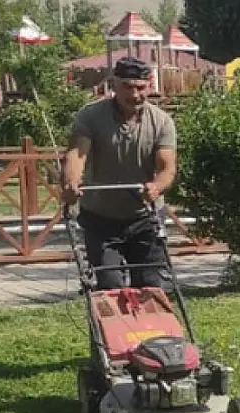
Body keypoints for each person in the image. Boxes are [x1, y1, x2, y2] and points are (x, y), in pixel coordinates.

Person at [62, 56, 177, 290]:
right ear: (114, 84)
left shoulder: (162, 122)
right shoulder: (90, 116)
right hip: (100, 218)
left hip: (145, 217)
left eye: (140, 87)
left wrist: (156, 186)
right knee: (110, 285)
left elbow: (167, 168)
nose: (134, 94)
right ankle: (108, 325)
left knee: (149, 288)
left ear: (149, 86)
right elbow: (77, 153)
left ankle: (151, 327)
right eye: (127, 86)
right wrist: (72, 182)